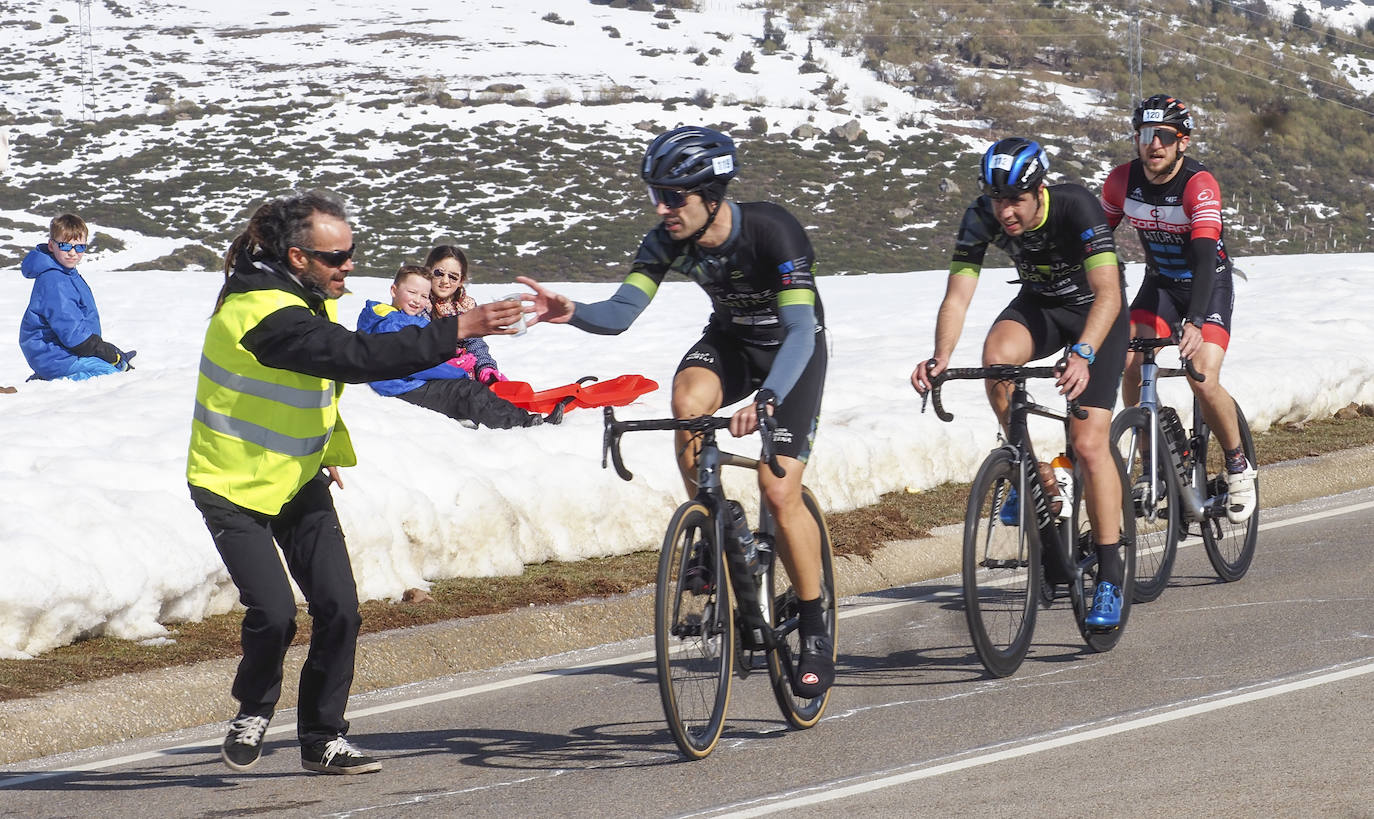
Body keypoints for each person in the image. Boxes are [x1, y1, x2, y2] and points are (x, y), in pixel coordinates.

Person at [185, 190, 524, 775]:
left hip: (295, 476)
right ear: (297, 257)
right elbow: (357, 358)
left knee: (340, 608)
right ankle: (254, 709)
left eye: (351, 253)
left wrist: (322, 451)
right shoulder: (263, 313)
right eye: (336, 258)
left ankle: (322, 737)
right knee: (274, 612)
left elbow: (307, 387)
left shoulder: (305, 299)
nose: (348, 267)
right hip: (229, 482)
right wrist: (457, 328)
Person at [516, 126, 835, 697]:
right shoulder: (667, 238)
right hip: (733, 343)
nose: (662, 208)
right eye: (655, 195)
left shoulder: (773, 231)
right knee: (686, 400)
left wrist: (768, 399)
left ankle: (813, 625)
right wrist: (573, 310)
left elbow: (799, 331)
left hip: (793, 352)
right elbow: (620, 314)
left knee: (778, 489)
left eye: (674, 197)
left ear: (712, 196)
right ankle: (712, 530)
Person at [910, 137, 1130, 628]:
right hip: (1041, 306)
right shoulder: (981, 215)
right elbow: (957, 297)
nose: (1004, 211)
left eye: (1015, 200)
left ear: (1039, 190)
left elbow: (1109, 293)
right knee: (996, 360)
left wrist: (1085, 353)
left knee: (1088, 443)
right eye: (996, 199)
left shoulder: (1076, 207)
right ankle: (1031, 469)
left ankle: (1111, 571)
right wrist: (941, 355)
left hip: (1097, 316)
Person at [1100, 94, 1255, 523]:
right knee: (1130, 360)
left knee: (1202, 376)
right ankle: (1151, 467)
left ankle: (1238, 464)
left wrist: (1197, 320)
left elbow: (1205, 256)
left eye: (1164, 137)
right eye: (1145, 135)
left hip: (1207, 285)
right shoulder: (1119, 183)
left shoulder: (1197, 184)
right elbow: (1094, 243)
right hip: (1161, 286)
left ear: (1182, 142)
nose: (1153, 145)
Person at [355, 264, 561, 428]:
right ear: (394, 290)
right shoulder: (396, 324)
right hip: (402, 385)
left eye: (424, 296)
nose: (418, 300)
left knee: (469, 389)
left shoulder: (386, 316)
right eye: (412, 292)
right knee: (468, 392)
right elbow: (421, 362)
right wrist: (457, 371)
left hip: (402, 380)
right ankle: (525, 423)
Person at [18, 213, 136, 381]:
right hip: (54, 356)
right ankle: (51, 381)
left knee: (112, 365)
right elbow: (70, 329)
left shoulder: (67, 273)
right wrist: (103, 351)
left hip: (68, 350)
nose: (73, 253)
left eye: (80, 247)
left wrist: (107, 352)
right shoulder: (54, 280)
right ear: (52, 245)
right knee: (108, 375)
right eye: (66, 246)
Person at [425, 244, 506, 384]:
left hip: (466, 376)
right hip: (432, 377)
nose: (445, 281)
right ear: (428, 271)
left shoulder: (466, 306)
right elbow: (418, 339)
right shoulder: (419, 302)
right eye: (439, 273)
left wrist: (486, 368)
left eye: (453, 277)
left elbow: (475, 342)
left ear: (461, 280)